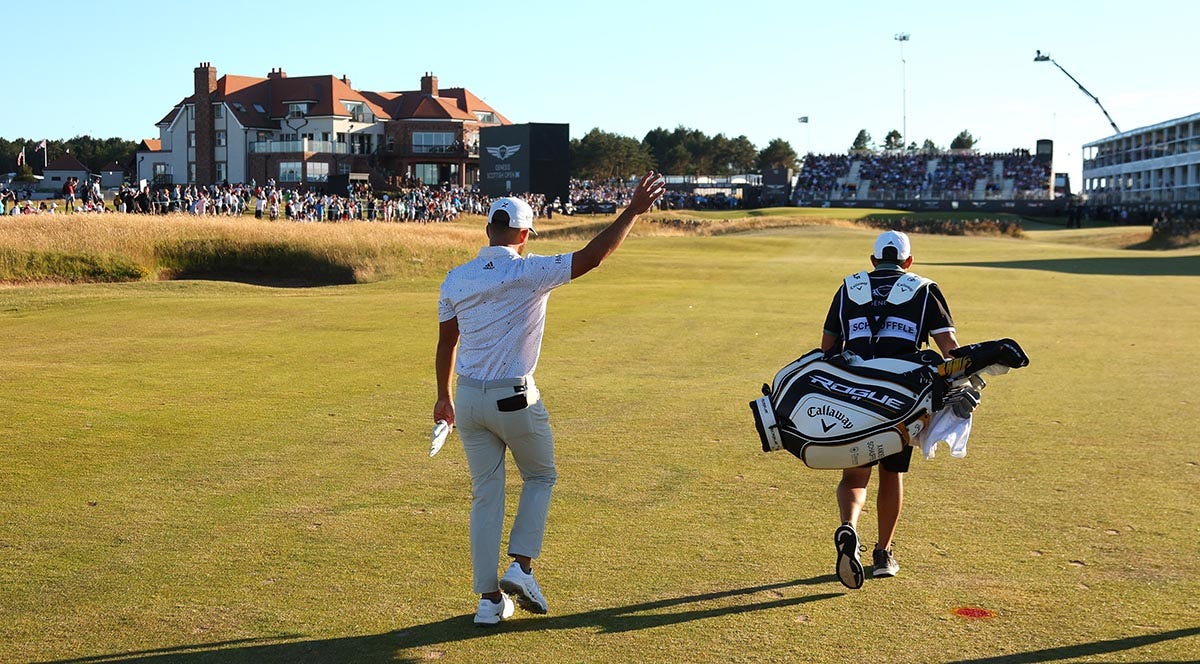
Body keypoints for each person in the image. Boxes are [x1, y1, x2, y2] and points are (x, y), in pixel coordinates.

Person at [434, 171, 666, 626]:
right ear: (523, 235)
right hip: (514, 399)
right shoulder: (528, 269)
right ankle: (520, 567)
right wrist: (633, 211)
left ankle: (487, 601)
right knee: (541, 476)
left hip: (468, 398)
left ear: (488, 230)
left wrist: (443, 399)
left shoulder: (455, 278)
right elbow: (592, 257)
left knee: (486, 496)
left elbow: (447, 342)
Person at [819, 230, 959, 589]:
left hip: (855, 394)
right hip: (901, 398)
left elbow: (827, 347)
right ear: (908, 261)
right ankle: (883, 554)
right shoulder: (924, 288)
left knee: (854, 476)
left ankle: (849, 527)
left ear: (873, 260)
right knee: (892, 474)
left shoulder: (849, 286)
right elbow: (950, 349)